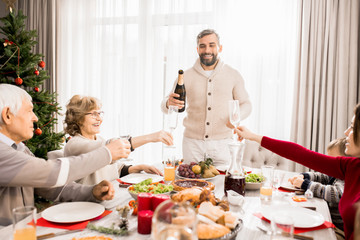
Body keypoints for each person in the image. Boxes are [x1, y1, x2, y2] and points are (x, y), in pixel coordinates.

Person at [0, 84, 129, 226]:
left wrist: (91, 191)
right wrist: (108, 153)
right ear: (7, 115)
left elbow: (49, 187)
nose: (35, 118)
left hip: (25, 230)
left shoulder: (19, 149)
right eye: (29, 111)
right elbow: (52, 173)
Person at [234, 103, 360, 240]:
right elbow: (300, 154)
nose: (346, 132)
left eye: (353, 127)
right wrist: (252, 136)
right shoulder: (352, 166)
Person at [161, 29, 252, 166]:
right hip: (192, 145)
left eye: (212, 45)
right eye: (202, 46)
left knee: (222, 184)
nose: (207, 50)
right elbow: (164, 105)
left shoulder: (233, 74)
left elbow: (246, 104)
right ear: (197, 49)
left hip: (223, 144)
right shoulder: (185, 76)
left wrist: (236, 116)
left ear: (220, 48)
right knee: (190, 185)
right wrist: (168, 103)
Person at [64, 95, 173, 185]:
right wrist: (150, 137)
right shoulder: (74, 144)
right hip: (86, 204)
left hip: (103, 198)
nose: (99, 118)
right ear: (79, 119)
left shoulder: (99, 139)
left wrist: (139, 167)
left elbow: (115, 169)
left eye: (99, 113)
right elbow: (109, 148)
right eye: (93, 114)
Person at [288, 138, 347, 237]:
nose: (329, 164)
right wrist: (305, 176)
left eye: (333, 161)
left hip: (338, 229)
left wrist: (306, 184)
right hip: (328, 219)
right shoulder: (336, 172)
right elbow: (323, 177)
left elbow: (335, 193)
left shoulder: (345, 178)